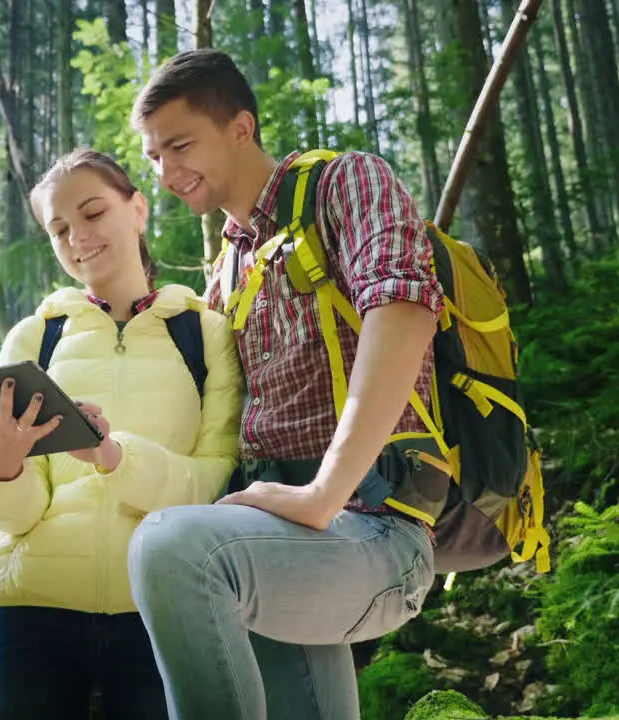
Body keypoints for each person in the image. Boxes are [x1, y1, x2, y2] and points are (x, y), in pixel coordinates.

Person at [125, 49, 443, 719]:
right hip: (276, 533)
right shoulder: (227, 269)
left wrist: (324, 493)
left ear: (241, 127)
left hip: (378, 527)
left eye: (180, 145)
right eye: (153, 158)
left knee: (172, 550)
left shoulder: (346, 181)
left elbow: (405, 309)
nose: (165, 172)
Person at [0, 148, 244, 720]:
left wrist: (111, 456)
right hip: (30, 610)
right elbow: (17, 516)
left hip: (164, 608)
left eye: (92, 213)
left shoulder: (205, 335)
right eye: (58, 228)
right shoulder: (35, 339)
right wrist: (1, 469)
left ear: (137, 209)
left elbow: (213, 483)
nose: (77, 237)